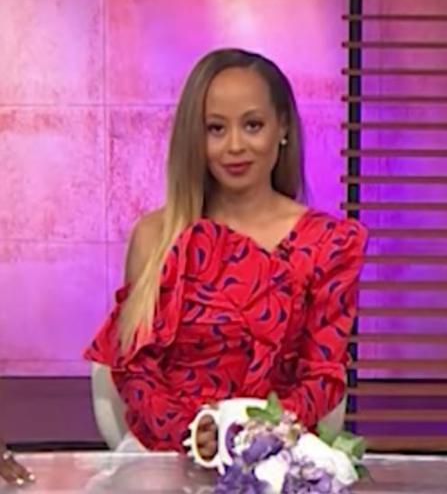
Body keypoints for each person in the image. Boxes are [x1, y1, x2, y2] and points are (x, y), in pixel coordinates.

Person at [84, 48, 367, 460]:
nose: (235, 145)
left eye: (252, 125)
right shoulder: (156, 235)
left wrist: (254, 435)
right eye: (215, 129)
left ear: (282, 127)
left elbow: (322, 376)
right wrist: (194, 432)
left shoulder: (330, 243)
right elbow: (134, 368)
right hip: (168, 453)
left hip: (276, 452)